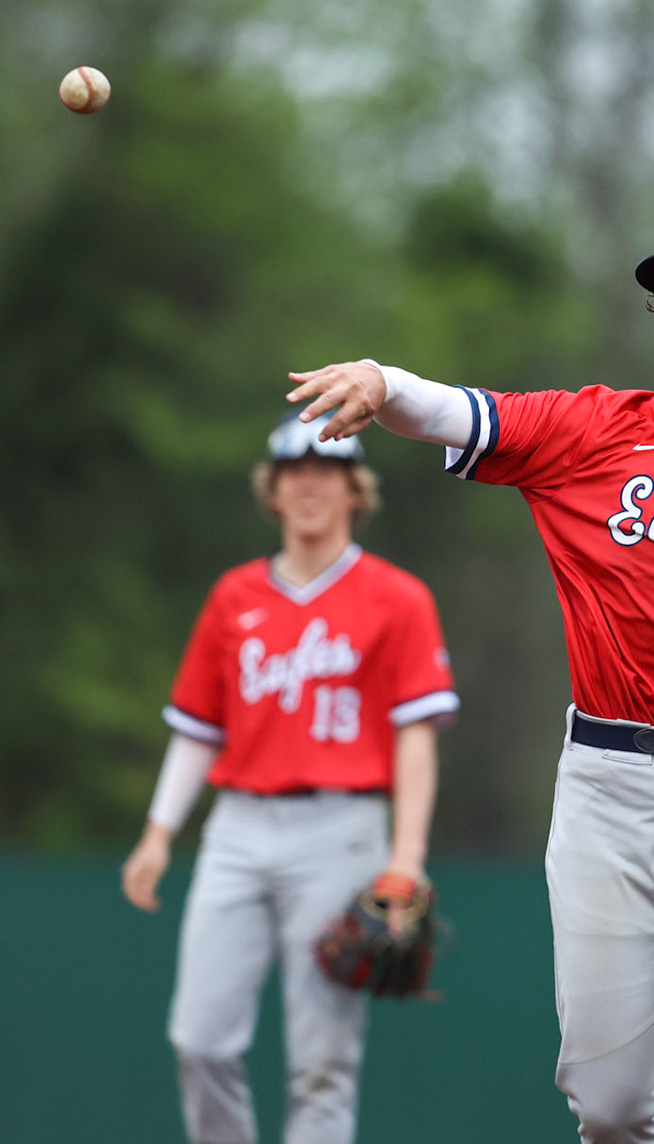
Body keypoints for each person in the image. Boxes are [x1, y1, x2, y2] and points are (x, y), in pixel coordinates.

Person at [287, 221, 654, 1143]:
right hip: (610, 789)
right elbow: (458, 411)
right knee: (609, 1109)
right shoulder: (594, 431)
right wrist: (382, 381)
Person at [119, 413, 457, 1144]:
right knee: (199, 1040)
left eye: (326, 471)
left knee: (322, 1063)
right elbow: (197, 732)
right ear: (272, 491)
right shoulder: (234, 597)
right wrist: (157, 834)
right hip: (238, 826)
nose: (309, 484)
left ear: (353, 490)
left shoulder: (397, 598)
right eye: (294, 473)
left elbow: (416, 739)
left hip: (340, 830)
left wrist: (406, 857)